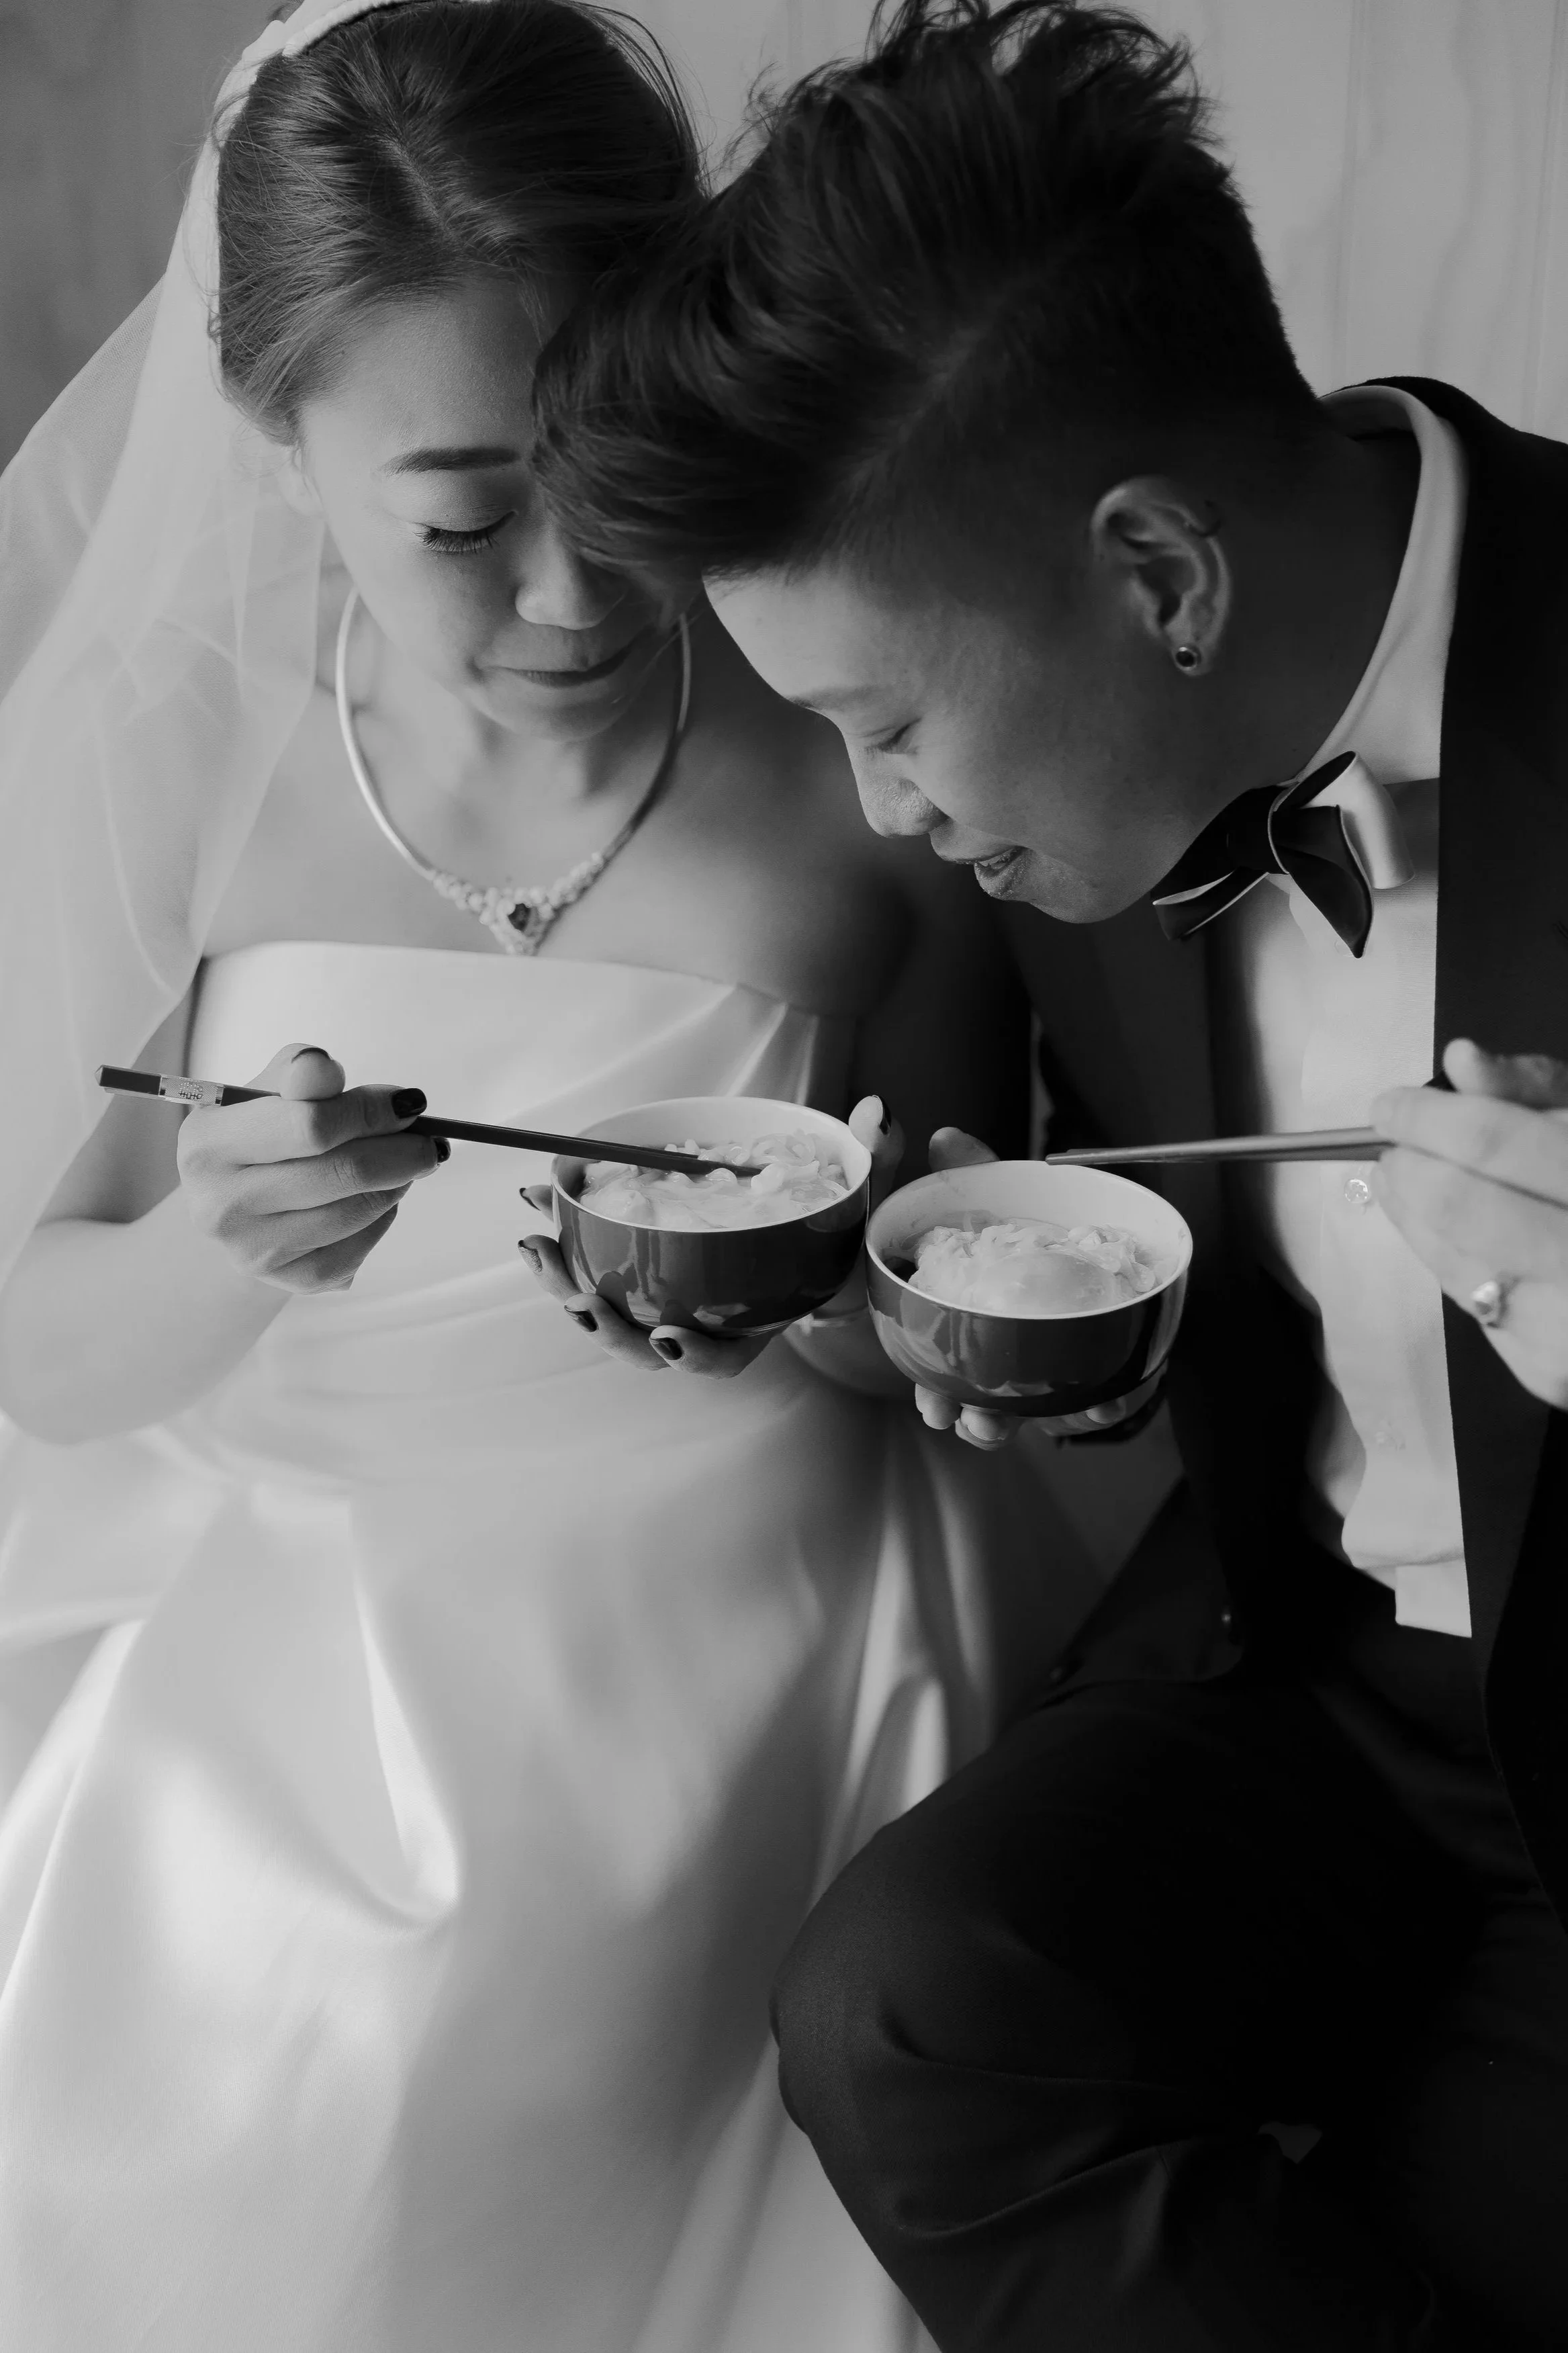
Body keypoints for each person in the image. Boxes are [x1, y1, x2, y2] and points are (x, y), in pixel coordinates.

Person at [0, 4, 1099, 2347]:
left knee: (514, 1997)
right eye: (462, 516)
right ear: (278, 440)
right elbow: (46, 1354)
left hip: (749, 1611)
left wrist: (835, 1287)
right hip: (284, 1592)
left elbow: (938, 1283)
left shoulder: (849, 733)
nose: (575, 589)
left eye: (617, 468)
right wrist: (224, 1238)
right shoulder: (179, 744)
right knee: (231, 2014)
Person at [530, 2, 1568, 2346]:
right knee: (895, 2013)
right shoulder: (1060, 757)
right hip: (1297, 1671)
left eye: (885, 725)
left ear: (1160, 576)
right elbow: (1067, 1210)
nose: (882, 814)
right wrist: (908, 1303)